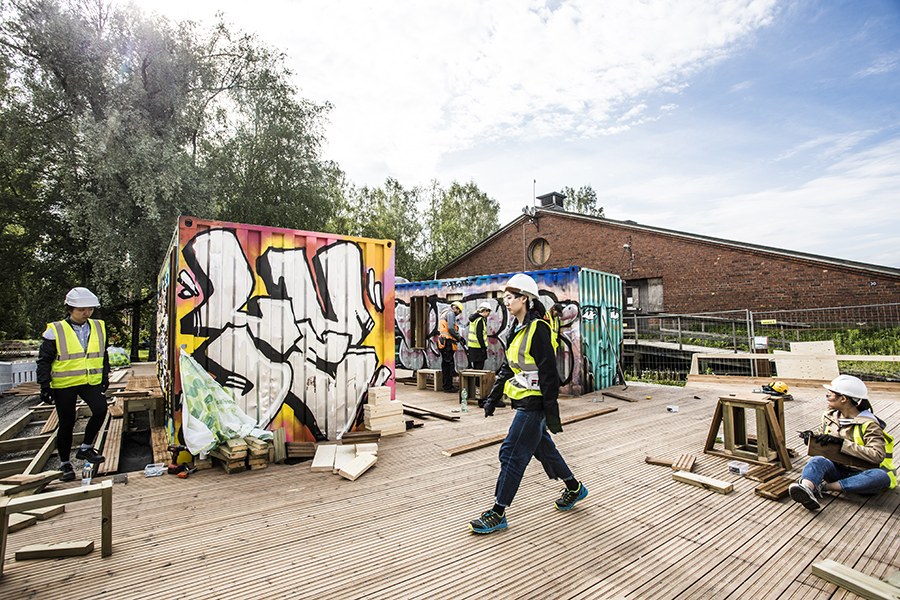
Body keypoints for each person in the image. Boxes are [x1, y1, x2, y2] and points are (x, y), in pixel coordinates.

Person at [468, 273, 587, 534]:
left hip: (535, 403)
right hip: (523, 400)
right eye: (505, 298)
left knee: (510, 452)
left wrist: (549, 411)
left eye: (510, 298)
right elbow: (507, 368)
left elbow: (549, 373)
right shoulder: (515, 329)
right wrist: (492, 398)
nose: (506, 302)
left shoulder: (539, 329)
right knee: (543, 448)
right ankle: (574, 487)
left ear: (524, 299)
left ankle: (498, 512)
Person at [36, 287, 110, 482]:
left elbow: (104, 354)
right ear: (70, 309)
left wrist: (105, 377)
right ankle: (64, 463)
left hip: (89, 381)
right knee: (67, 422)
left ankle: (85, 448)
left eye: (90, 309)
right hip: (65, 383)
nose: (86, 313)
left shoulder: (99, 326)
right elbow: (44, 360)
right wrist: (45, 385)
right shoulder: (55, 330)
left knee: (101, 409)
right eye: (81, 310)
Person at [789, 374, 895, 511]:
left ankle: (823, 487)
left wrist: (842, 443)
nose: (827, 398)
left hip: (860, 473)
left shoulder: (870, 424)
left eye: (829, 395)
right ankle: (806, 488)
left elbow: (877, 455)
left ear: (843, 398)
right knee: (817, 461)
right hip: (835, 468)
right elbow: (823, 434)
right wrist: (812, 437)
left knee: (881, 477)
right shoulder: (830, 415)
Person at [437, 301, 464, 392]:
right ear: (456, 308)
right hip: (447, 343)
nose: (458, 314)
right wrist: (459, 337)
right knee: (448, 365)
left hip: (443, 342)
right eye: (459, 311)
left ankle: (446, 385)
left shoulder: (444, 313)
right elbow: (451, 328)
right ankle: (448, 387)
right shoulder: (450, 313)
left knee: (445, 364)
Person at [466, 301, 492, 370]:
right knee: (479, 369)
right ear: (484, 310)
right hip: (478, 348)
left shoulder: (474, 319)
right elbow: (479, 335)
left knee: (475, 369)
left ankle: (475, 381)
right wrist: (483, 347)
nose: (489, 313)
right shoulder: (480, 319)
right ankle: (477, 381)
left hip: (472, 347)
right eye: (488, 311)